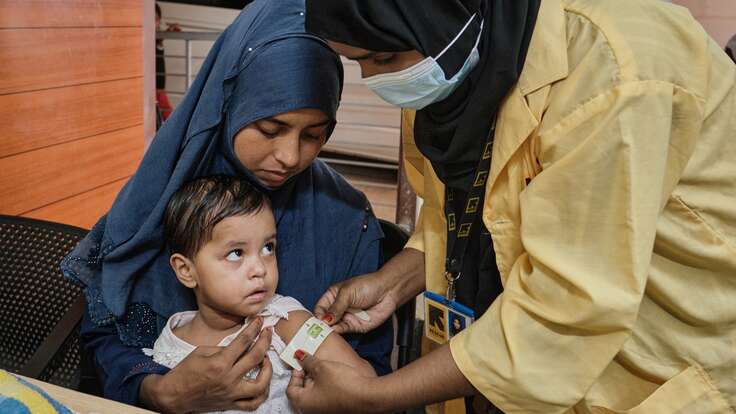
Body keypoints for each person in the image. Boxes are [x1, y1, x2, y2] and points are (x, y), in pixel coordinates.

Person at [286, 1, 736, 413]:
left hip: (660, 365)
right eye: (357, 61)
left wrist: (376, 397)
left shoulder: (617, 72)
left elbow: (568, 307)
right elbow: (464, 209)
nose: (376, 81)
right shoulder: (450, 55)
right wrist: (394, 282)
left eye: (383, 60)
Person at [61, 1, 393, 412]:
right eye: (270, 129)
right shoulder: (160, 201)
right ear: (230, 103)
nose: (290, 157)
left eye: (314, 135)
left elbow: (370, 372)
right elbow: (104, 338)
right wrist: (160, 391)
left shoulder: (346, 220)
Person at [145, 174, 375, 414]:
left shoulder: (284, 322)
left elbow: (364, 383)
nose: (260, 269)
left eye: (268, 248)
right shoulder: (172, 341)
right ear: (186, 270)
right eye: (236, 253)